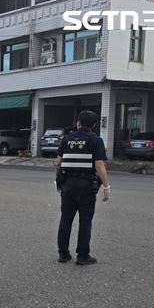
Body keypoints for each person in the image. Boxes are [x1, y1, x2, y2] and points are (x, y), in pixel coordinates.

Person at [53, 110, 110, 265]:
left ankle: (63, 254)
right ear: (94, 125)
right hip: (86, 186)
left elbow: (57, 163)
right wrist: (106, 186)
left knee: (65, 219)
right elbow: (99, 165)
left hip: (68, 185)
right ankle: (83, 256)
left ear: (78, 123)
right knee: (85, 221)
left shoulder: (67, 139)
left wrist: (59, 181)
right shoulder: (96, 140)